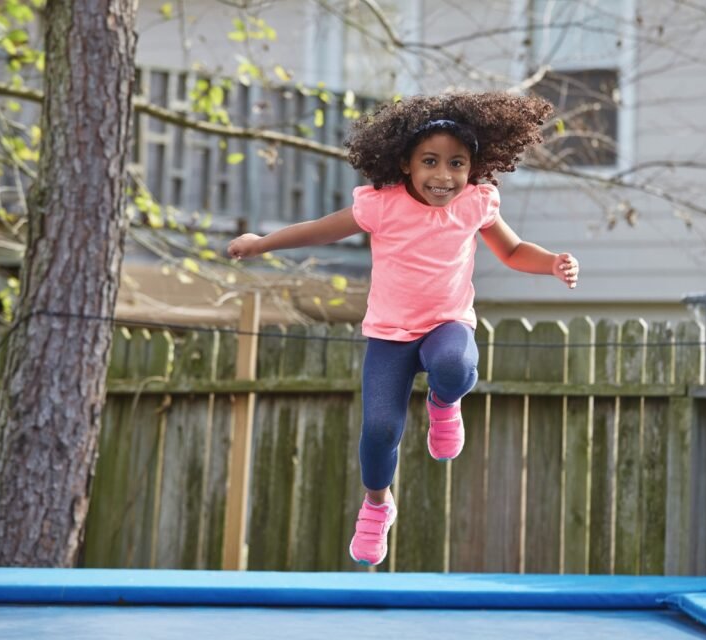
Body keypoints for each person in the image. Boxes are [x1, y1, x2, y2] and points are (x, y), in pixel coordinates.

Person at [227, 92, 580, 566]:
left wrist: (553, 263)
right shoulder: (382, 206)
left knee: (455, 365)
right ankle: (377, 505)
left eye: (457, 163)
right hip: (389, 336)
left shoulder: (477, 203)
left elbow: (513, 252)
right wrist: (261, 244)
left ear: (472, 167)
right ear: (406, 163)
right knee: (378, 430)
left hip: (445, 324)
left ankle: (443, 402)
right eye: (430, 161)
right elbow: (321, 230)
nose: (444, 175)